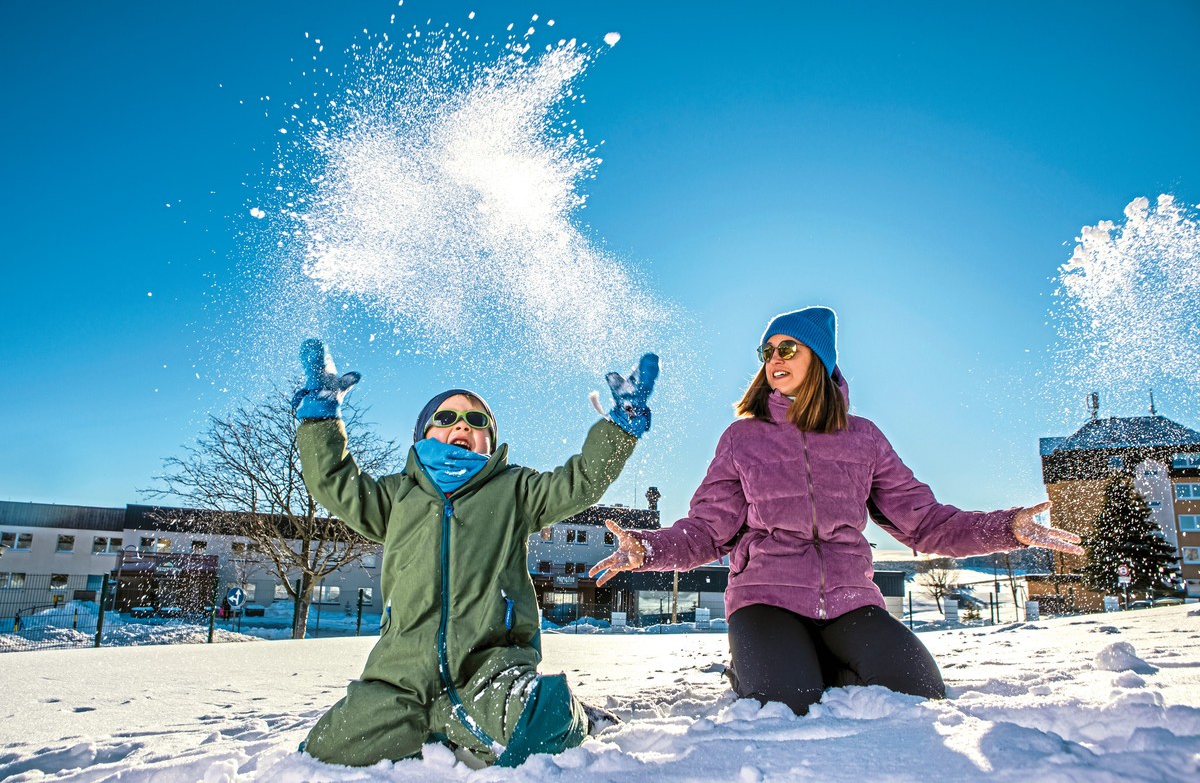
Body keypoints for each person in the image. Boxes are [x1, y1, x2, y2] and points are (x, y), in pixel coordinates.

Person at [591, 306, 1081, 716]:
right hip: (767, 598)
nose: (774, 359)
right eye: (768, 351)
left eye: (789, 349)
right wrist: (648, 548)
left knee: (917, 688)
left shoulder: (863, 437)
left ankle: (810, 660)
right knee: (787, 703)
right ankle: (762, 665)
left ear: (820, 360)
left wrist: (1007, 528)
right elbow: (707, 531)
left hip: (850, 599)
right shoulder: (742, 438)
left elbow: (926, 523)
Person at [291, 339, 658, 768]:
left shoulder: (515, 490)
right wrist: (320, 417)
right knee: (321, 752)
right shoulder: (396, 496)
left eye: (475, 420)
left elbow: (580, 480)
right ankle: (435, 724)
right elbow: (334, 482)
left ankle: (563, 719)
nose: (461, 426)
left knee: (547, 712)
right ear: (423, 434)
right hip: (399, 680)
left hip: (489, 672)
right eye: (446, 418)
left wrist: (621, 423)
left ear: (490, 440)